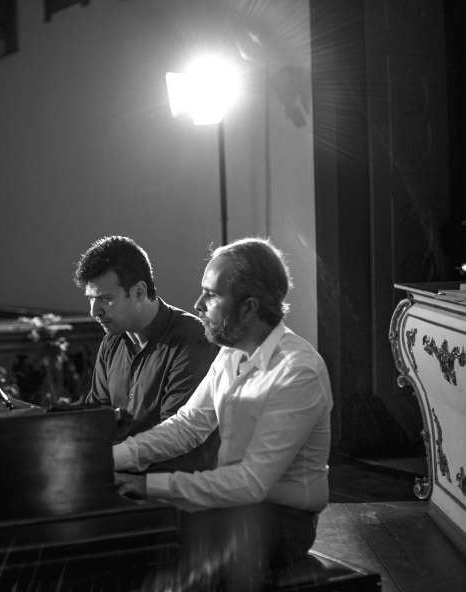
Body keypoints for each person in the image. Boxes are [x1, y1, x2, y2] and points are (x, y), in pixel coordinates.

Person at [112, 237, 333, 587]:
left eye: (211, 295)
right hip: (236, 508)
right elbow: (188, 425)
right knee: (133, 535)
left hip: (283, 520)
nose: (197, 304)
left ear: (248, 307)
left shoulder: (298, 370)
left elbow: (251, 483)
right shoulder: (231, 353)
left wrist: (148, 484)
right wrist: (113, 458)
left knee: (175, 548)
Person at [74, 235, 219, 472]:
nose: (94, 311)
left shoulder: (193, 340)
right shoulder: (112, 340)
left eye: (106, 299)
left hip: (171, 488)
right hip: (120, 478)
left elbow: (176, 440)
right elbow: (97, 419)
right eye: (91, 299)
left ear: (140, 291)